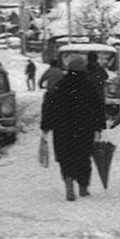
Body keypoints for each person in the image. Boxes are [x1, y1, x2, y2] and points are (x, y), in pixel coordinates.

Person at [39, 54, 104, 201]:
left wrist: (46, 126)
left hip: (63, 129)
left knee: (66, 157)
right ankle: (83, 188)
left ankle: (69, 186)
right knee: (83, 157)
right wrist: (98, 127)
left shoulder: (60, 86)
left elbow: (50, 107)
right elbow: (97, 107)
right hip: (84, 129)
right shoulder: (89, 86)